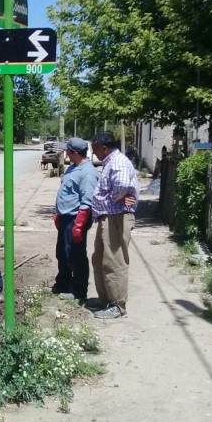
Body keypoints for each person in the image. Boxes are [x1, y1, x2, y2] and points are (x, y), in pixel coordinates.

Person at [89, 131, 139, 319]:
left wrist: (110, 200)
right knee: (100, 258)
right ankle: (105, 299)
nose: (94, 154)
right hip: (108, 216)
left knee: (114, 261)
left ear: (104, 148)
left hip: (116, 217)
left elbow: (123, 185)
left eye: (95, 150)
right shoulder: (111, 161)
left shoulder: (118, 161)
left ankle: (117, 305)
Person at [53, 138, 98, 302]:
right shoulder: (73, 168)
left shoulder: (87, 173)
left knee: (76, 255)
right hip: (66, 218)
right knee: (62, 253)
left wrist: (78, 225)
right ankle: (63, 283)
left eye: (68, 151)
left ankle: (79, 290)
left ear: (75, 152)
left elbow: (87, 202)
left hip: (76, 218)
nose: (66, 153)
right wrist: (58, 213)